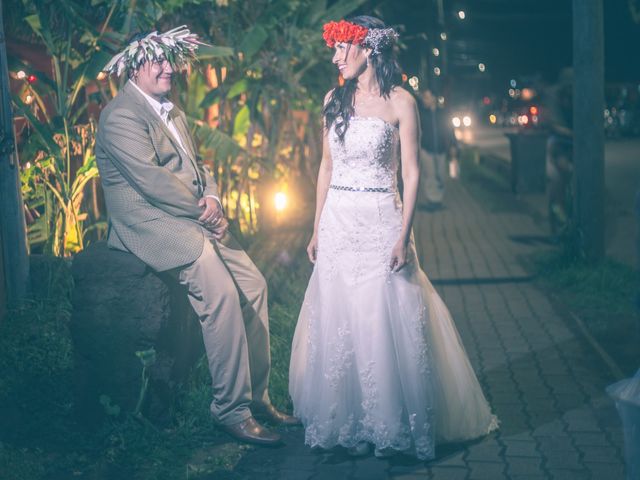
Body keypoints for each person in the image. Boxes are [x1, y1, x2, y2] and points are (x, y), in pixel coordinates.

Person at [289, 16, 498, 460]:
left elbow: (412, 171)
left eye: (342, 48)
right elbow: (326, 166)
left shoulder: (401, 102)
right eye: (335, 49)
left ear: (368, 49)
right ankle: (350, 424)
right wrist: (316, 225)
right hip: (339, 221)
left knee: (383, 320)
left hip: (382, 217)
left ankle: (390, 422)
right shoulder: (333, 99)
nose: (335, 57)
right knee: (341, 318)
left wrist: (404, 235)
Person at [95, 26, 298, 446]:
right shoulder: (120, 116)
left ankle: (257, 397)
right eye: (161, 60)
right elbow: (152, 183)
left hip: (194, 214)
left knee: (254, 287)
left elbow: (199, 166)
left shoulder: (172, 111)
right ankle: (230, 410)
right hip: (152, 222)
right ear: (135, 65)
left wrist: (214, 198)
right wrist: (202, 210)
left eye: (172, 59)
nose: (171, 68)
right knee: (221, 295)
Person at [417, 89, 458, 209]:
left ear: (434, 98)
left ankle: (438, 199)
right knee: (430, 175)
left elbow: (450, 130)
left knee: (440, 175)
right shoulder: (421, 113)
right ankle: (432, 200)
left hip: (441, 148)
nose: (425, 100)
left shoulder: (442, 113)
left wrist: (453, 145)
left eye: (427, 97)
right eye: (424, 97)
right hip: (426, 148)